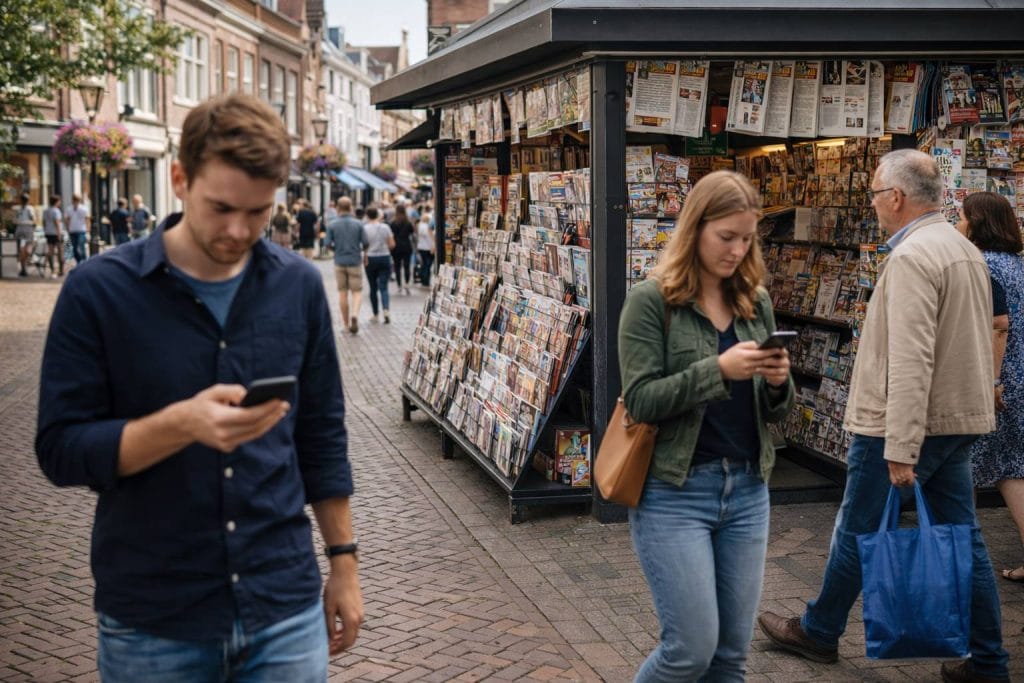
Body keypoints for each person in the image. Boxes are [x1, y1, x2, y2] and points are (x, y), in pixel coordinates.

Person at [35, 93, 363, 681]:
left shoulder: (298, 287)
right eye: (221, 208)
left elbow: (320, 433)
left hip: (283, 605)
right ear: (180, 179)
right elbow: (60, 450)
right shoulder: (97, 292)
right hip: (155, 614)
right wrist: (179, 426)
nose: (239, 230)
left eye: (258, 212)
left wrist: (344, 562)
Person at [758, 150, 1008, 683]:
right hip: (956, 418)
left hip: (906, 423)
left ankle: (819, 632)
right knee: (963, 535)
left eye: (874, 193)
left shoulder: (915, 257)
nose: (872, 204)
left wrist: (900, 443)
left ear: (895, 197)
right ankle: (989, 661)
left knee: (857, 526)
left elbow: (912, 355)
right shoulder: (961, 249)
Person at [618, 170, 794, 682]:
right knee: (689, 650)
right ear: (695, 228)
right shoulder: (652, 301)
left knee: (731, 656)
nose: (737, 250)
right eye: (726, 237)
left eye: (746, 238)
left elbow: (776, 410)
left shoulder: (753, 301)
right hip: (675, 492)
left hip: (747, 491)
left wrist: (778, 382)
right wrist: (716, 371)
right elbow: (642, 401)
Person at [957, 192, 1024, 584]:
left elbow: (998, 328)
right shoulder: (1016, 265)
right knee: (1011, 471)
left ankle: (962, 562)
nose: (958, 224)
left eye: (963, 217)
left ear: (978, 222)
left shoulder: (984, 267)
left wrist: (993, 380)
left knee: (962, 470)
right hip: (1018, 378)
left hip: (996, 383)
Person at [327, 197, 369, 334]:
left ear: (338, 208)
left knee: (342, 293)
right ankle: (355, 315)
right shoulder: (358, 224)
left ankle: (345, 325)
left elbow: (327, 243)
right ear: (351, 207)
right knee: (356, 291)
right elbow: (366, 242)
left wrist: (336, 250)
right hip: (355, 261)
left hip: (339, 261)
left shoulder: (332, 224)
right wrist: (362, 253)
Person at [363, 206, 394, 324]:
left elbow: (364, 246)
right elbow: (392, 244)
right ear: (377, 215)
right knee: (384, 287)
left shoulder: (364, 228)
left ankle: (375, 314)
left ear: (367, 216)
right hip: (384, 257)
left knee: (372, 287)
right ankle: (386, 309)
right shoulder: (385, 227)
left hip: (370, 259)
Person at [389, 204, 415, 295]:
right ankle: (407, 284)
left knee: (397, 266)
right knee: (407, 266)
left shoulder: (393, 223)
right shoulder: (408, 222)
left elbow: (390, 234)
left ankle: (399, 285)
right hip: (406, 246)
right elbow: (412, 232)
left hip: (396, 247)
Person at [42, 194, 65, 278]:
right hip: (56, 233)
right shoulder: (56, 211)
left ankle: (52, 270)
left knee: (50, 251)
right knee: (60, 251)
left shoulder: (46, 210)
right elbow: (57, 223)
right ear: (56, 202)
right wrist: (59, 234)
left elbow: (43, 222)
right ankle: (61, 270)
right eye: (59, 201)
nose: (60, 203)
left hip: (48, 232)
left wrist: (45, 230)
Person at [14, 193, 37, 277]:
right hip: (20, 229)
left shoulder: (30, 209)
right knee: (21, 250)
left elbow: (34, 219)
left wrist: (33, 228)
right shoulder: (18, 209)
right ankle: (23, 268)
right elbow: (15, 219)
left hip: (28, 229)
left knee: (27, 251)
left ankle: (24, 267)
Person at [66, 193, 90, 264]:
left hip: (81, 230)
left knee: (80, 247)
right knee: (74, 249)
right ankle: (79, 262)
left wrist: (88, 230)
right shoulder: (69, 209)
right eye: (74, 200)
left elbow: (87, 219)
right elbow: (67, 220)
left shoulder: (84, 208)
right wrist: (68, 229)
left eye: (77, 200)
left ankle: (85, 262)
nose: (75, 201)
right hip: (72, 231)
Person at [415, 210, 435, 287]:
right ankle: (425, 280)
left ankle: (423, 278)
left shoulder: (419, 226)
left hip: (421, 247)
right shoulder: (428, 228)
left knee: (424, 263)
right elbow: (431, 238)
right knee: (428, 264)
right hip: (428, 248)